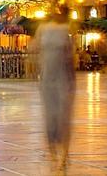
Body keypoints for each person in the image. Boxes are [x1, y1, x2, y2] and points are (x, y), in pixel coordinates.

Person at [32, 9, 75, 170]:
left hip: (62, 79)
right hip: (48, 81)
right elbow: (35, 51)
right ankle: (54, 155)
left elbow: (71, 56)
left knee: (63, 119)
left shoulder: (66, 30)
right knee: (51, 119)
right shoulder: (43, 29)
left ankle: (63, 156)